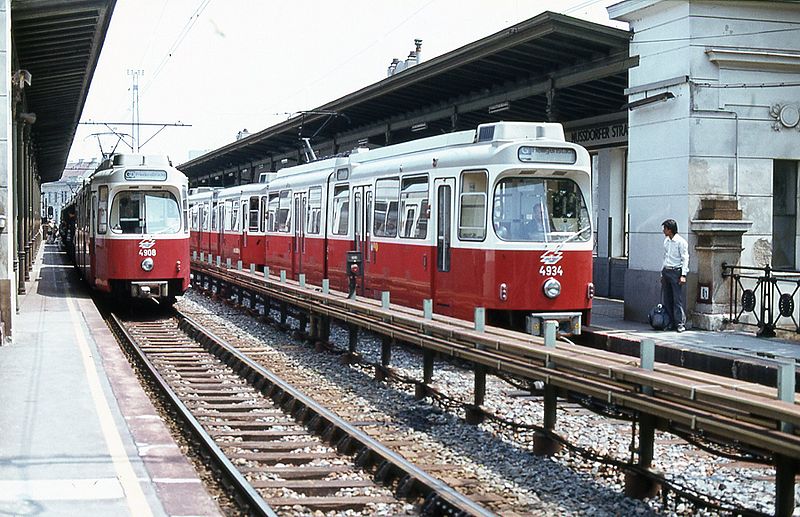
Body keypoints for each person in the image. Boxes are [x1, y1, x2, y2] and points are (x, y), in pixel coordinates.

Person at [661, 218, 689, 332]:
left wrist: (683, 274)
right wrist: (662, 272)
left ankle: (680, 323)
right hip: (666, 270)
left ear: (670, 230)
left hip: (676, 271)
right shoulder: (666, 241)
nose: (663, 231)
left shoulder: (681, 242)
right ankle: (670, 322)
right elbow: (665, 257)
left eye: (665, 229)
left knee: (677, 299)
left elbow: (685, 258)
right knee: (667, 299)